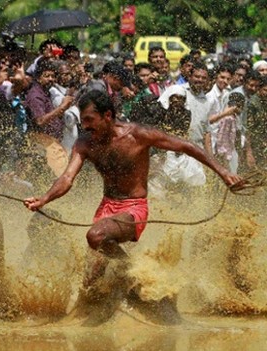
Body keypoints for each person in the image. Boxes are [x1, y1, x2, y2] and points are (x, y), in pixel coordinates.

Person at [23, 90, 241, 324]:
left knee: (95, 235)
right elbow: (67, 178)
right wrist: (44, 199)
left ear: (107, 116)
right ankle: (95, 318)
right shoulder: (85, 142)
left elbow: (186, 147)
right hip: (106, 208)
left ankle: (132, 275)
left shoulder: (138, 135)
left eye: (89, 120)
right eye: (82, 120)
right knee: (91, 280)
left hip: (133, 208)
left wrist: (224, 172)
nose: (84, 126)